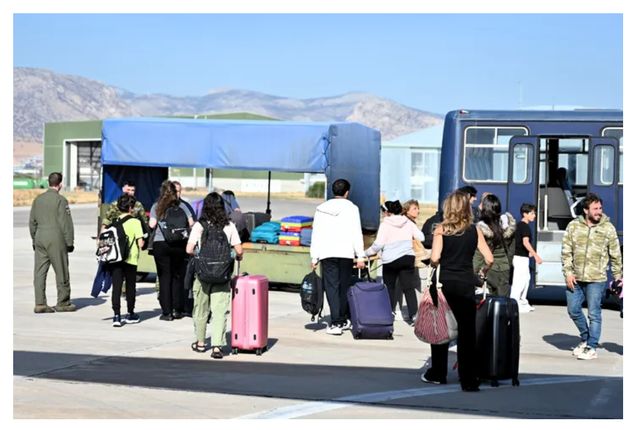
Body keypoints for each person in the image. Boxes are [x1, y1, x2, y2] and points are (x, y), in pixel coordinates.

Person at [421, 190, 494, 392]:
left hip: (443, 284)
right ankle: (468, 379)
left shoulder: (441, 229)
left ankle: (438, 373)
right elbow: (489, 258)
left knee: (441, 328)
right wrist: (481, 273)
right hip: (465, 284)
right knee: (467, 332)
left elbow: (435, 258)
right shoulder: (474, 230)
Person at [562, 193, 622, 360]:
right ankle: (585, 338)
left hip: (597, 279)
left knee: (594, 314)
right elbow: (566, 251)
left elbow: (616, 254)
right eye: (595, 209)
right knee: (573, 310)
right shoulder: (573, 226)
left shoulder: (607, 228)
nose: (599, 212)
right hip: (575, 278)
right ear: (586, 210)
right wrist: (568, 272)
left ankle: (591, 346)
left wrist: (618, 277)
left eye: (600, 208)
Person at [187, 193, 243, 359]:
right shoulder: (229, 225)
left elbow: (188, 249)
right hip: (222, 274)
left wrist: (200, 254)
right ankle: (217, 346)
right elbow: (239, 250)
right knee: (219, 311)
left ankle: (201, 342)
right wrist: (236, 256)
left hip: (202, 274)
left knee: (201, 309)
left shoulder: (200, 225)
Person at [310, 178, 366, 335]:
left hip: (327, 253)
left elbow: (317, 233)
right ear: (347, 192)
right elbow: (356, 232)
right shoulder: (352, 208)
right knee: (344, 286)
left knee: (332, 287)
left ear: (333, 191)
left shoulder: (321, 208)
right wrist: (360, 256)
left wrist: (314, 257)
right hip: (346, 253)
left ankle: (336, 322)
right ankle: (341, 320)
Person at [365, 200, 424, 323]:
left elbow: (378, 245)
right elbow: (421, 237)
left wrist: (365, 253)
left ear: (387, 212)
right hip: (407, 258)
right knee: (409, 288)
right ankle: (414, 315)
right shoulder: (408, 222)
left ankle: (389, 313)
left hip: (390, 260)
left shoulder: (385, 224)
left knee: (389, 287)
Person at [29, 172, 76, 313]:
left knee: (39, 272)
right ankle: (63, 302)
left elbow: (32, 222)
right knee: (61, 270)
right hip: (56, 237)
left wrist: (34, 239)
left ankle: (40, 303)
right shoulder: (60, 200)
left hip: (40, 237)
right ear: (60, 184)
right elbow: (65, 223)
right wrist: (69, 242)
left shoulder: (38, 200)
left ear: (49, 182)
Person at [149, 180, 195, 321]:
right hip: (178, 245)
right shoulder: (182, 205)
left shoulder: (157, 206)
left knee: (164, 277)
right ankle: (177, 310)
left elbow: (152, 224)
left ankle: (167, 312)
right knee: (177, 277)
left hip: (161, 244)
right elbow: (192, 223)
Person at [109, 194, 145, 327]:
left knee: (116, 287)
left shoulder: (115, 220)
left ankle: (116, 315)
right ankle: (130, 313)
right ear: (130, 207)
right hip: (131, 259)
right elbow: (140, 243)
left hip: (116, 258)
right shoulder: (135, 222)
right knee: (130, 287)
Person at [473, 194, 516, 297]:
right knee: (503, 301)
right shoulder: (507, 227)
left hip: (488, 269)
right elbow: (511, 251)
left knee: (488, 303)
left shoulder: (480, 229)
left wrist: (475, 273)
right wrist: (508, 265)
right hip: (504, 268)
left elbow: (478, 254)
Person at [510, 203, 542, 313]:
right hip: (520, 258)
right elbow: (525, 242)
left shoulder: (521, 225)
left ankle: (522, 302)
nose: (534, 215)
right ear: (525, 214)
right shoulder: (524, 226)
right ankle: (515, 303)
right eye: (532, 213)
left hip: (521, 257)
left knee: (525, 279)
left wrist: (529, 253)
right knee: (519, 281)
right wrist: (535, 255)